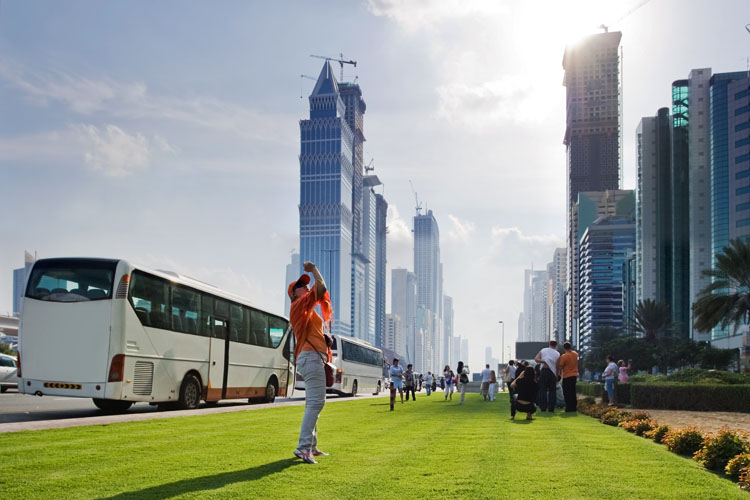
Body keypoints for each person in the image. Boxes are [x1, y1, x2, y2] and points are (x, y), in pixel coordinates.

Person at [289, 261, 333, 464]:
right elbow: (321, 287)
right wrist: (314, 269)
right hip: (310, 357)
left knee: (313, 403)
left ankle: (311, 446)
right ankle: (303, 448)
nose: (305, 286)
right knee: (316, 403)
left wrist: (325, 339)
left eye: (306, 284)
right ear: (294, 294)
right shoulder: (299, 306)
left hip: (311, 357)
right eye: (301, 285)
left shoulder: (306, 311)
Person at [534, 340, 561, 413]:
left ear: (549, 344)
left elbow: (536, 359)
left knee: (543, 390)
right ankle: (551, 408)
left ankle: (543, 407)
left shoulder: (543, 350)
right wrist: (557, 374)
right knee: (552, 391)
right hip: (552, 372)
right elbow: (557, 366)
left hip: (544, 370)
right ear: (556, 345)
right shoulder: (557, 354)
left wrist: (544, 361)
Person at [557, 342, 579, 412]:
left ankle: (568, 408)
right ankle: (574, 407)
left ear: (564, 348)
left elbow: (560, 366)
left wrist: (558, 374)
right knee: (573, 392)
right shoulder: (575, 354)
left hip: (567, 375)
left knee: (567, 393)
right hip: (574, 375)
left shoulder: (564, 356)